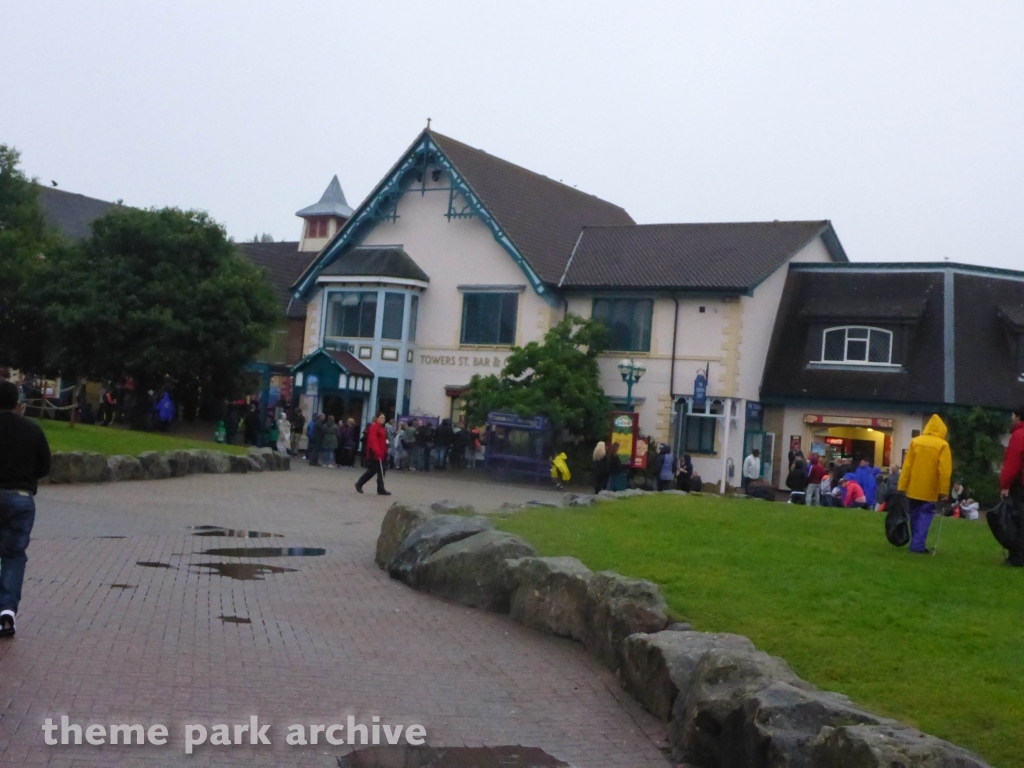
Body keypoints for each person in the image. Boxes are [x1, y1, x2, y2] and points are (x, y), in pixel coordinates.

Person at [0, 380, 52, 637]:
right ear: (17, 403)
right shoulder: (32, 430)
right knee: (13, 555)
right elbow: (44, 466)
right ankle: (6, 611)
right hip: (20, 498)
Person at [898, 414, 953, 554]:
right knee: (925, 515)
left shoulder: (915, 442)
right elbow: (944, 470)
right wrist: (944, 490)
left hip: (913, 487)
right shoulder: (942, 445)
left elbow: (907, 466)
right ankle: (917, 545)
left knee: (915, 514)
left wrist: (902, 486)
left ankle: (915, 541)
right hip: (930, 489)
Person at [999, 405, 1024, 566]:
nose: (1011, 418)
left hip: (1021, 485)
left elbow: (1013, 463)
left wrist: (1005, 484)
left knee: (1018, 520)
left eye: (1013, 415)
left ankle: (1017, 557)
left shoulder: (1019, 435)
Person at [355, 412, 391, 495]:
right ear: (377, 418)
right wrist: (377, 451)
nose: (383, 419)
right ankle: (359, 483)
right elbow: (373, 440)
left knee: (382, 471)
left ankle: (381, 489)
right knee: (372, 471)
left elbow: (384, 440)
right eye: (381, 417)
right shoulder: (374, 427)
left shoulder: (382, 428)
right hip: (375, 454)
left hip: (382, 453)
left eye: (384, 418)